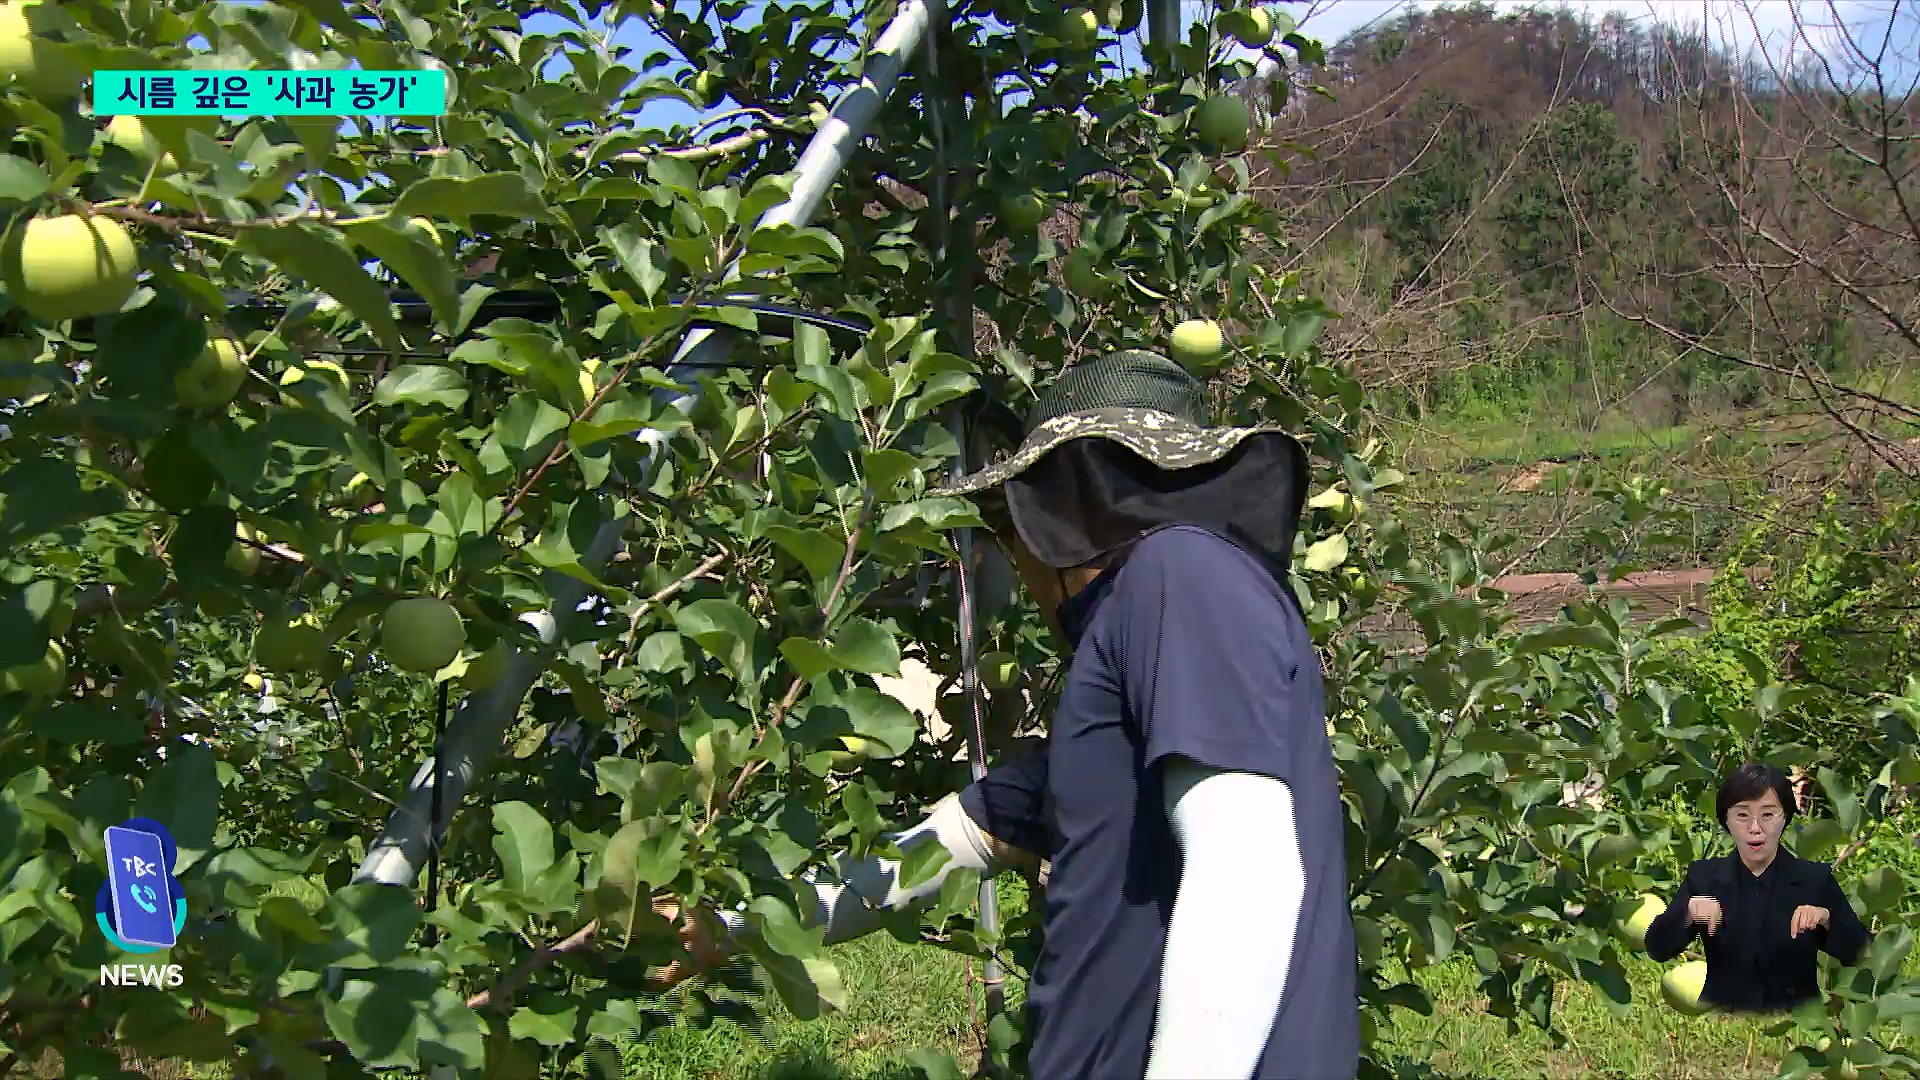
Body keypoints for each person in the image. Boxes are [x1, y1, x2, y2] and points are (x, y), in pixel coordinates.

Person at [661, 350, 1360, 1079]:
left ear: (1055, 513)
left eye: (1010, 527)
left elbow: (1245, 865)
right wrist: (729, 928)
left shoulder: (1179, 574)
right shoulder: (1148, 655)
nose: (1014, 560)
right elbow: (948, 843)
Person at [1645, 761, 1870, 1012]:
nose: (1755, 828)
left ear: (1785, 819)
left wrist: (1827, 920)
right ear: (1726, 821)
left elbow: (1863, 953)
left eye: (1768, 815)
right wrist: (1687, 914)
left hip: (1798, 1019)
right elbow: (1657, 948)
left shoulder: (1814, 879)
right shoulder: (1704, 878)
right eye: (1742, 815)